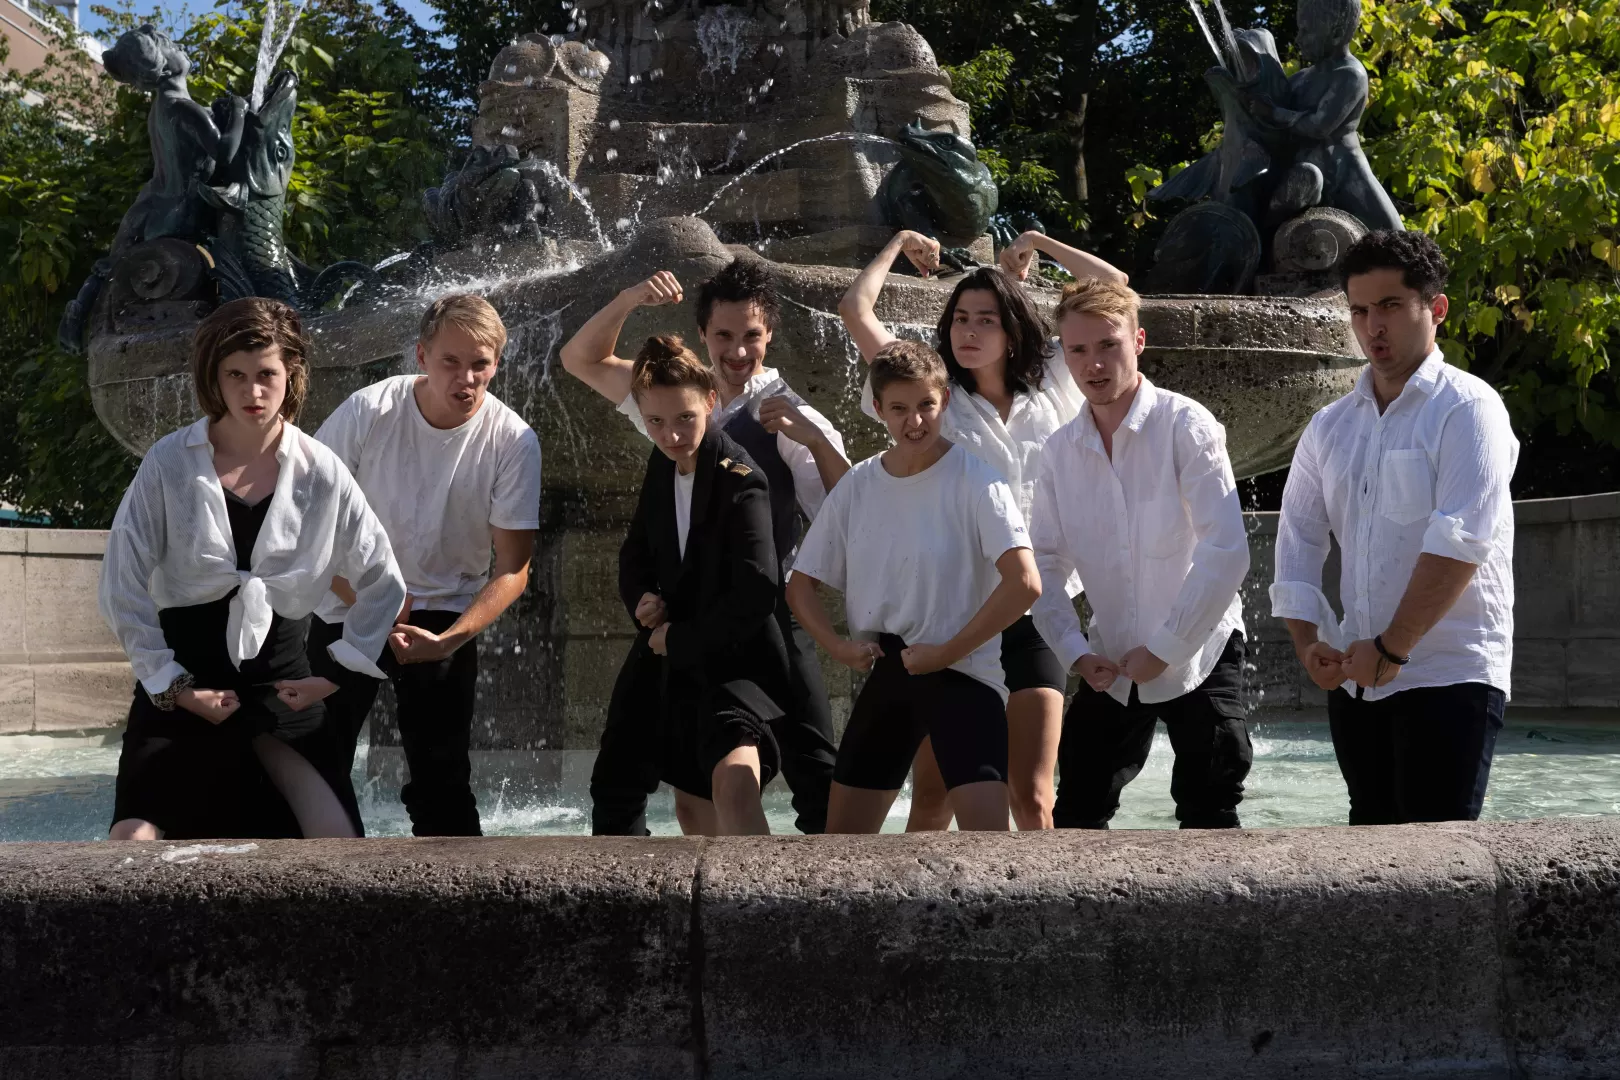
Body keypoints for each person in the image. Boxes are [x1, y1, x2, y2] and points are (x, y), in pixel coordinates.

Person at [837, 227, 1126, 831]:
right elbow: (855, 311)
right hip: (959, 617)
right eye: (960, 320)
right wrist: (896, 243)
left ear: (1012, 329)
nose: (968, 332)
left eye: (986, 321)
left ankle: (1036, 893)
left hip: (1039, 609)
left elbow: (1115, 286)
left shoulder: (1053, 379)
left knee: (1034, 795)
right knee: (934, 795)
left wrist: (1039, 241)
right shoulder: (935, 396)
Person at [100, 297, 406, 842]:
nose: (253, 392)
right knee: (131, 844)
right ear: (214, 377)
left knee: (337, 844)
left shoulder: (322, 470)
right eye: (235, 375)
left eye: (266, 374)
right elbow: (121, 584)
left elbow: (384, 580)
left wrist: (334, 676)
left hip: (283, 694)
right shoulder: (169, 462)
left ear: (291, 375)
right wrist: (174, 687)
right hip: (181, 690)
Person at [560, 257, 843, 834]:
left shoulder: (791, 414)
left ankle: (828, 884)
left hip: (768, 612)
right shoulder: (673, 399)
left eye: (751, 336)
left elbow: (852, 513)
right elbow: (579, 359)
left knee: (815, 768)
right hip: (688, 616)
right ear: (703, 334)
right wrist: (630, 297)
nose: (738, 351)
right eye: (723, 335)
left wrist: (813, 440)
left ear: (770, 334)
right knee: (687, 781)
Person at [1271, 230, 1518, 824]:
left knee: (1439, 859)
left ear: (1436, 309)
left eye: (1389, 306)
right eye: (1359, 310)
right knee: (1370, 854)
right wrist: (1308, 642)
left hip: (1449, 675)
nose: (1372, 326)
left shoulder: (1468, 407)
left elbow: (1461, 540)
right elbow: (1298, 539)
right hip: (1356, 677)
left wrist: (1392, 649)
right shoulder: (1329, 425)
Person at [307, 293, 542, 837]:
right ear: (422, 355)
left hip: (442, 612)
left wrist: (452, 639)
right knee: (318, 760)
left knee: (443, 779)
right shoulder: (369, 410)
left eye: (480, 364)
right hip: (348, 598)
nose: (466, 378)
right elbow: (304, 521)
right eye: (450, 361)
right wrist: (366, 599)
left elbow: (513, 567)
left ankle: (460, 885)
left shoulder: (514, 440)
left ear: (497, 363)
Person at [786, 340, 1041, 833]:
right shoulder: (859, 484)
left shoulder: (978, 481)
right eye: (900, 408)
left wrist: (946, 652)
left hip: (965, 677)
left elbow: (1026, 583)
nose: (915, 421)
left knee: (990, 849)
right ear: (878, 408)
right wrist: (838, 647)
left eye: (926, 404)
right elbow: (799, 586)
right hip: (888, 674)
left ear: (944, 400)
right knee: (843, 851)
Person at [1029, 278, 1254, 830]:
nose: (1093, 364)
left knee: (1210, 807)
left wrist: (1166, 647)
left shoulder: (1187, 424)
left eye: (1108, 345)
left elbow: (1226, 550)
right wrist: (1073, 650)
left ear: (1138, 341)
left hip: (1200, 649)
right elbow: (1045, 565)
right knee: (1078, 806)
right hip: (1110, 657)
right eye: (1078, 349)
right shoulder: (1058, 452)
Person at [589, 335, 795, 835]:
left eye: (684, 417)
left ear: (709, 401)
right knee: (623, 783)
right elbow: (636, 552)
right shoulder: (661, 462)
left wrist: (678, 639)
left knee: (733, 785)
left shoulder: (742, 478)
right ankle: (627, 884)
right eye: (656, 422)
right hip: (666, 650)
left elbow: (757, 589)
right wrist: (642, 599)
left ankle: (758, 886)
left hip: (733, 655)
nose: (672, 435)